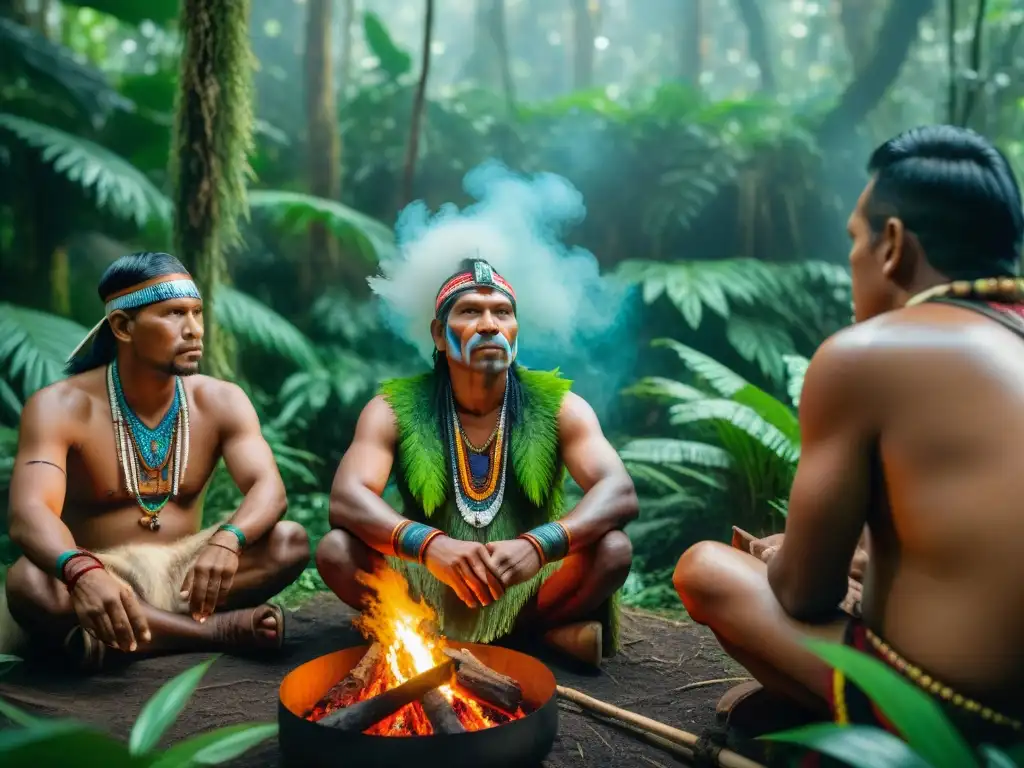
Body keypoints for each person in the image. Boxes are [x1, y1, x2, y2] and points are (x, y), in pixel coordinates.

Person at [673, 125, 1024, 748]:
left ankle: (841, 727)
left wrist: (788, 557)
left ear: (892, 245)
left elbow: (806, 595)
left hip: (958, 721)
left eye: (854, 240)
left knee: (706, 570)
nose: (853, 260)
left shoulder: (864, 354)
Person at [315, 258, 638, 666]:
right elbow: (346, 499)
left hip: (527, 584)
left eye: (502, 312)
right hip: (426, 581)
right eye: (470, 311)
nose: (490, 324)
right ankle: (537, 642)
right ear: (439, 334)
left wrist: (537, 547)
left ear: (515, 330)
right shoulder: (392, 409)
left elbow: (618, 491)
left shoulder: (561, 407)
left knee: (612, 550)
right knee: (336, 551)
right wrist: (431, 546)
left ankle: (501, 636)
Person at [0, 252, 310, 671]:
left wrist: (228, 539)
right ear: (123, 327)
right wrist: (81, 570)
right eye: (173, 314)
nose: (195, 330)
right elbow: (29, 513)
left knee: (288, 541)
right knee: (28, 582)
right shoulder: (59, 406)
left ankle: (116, 640)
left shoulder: (220, 400)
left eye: (197, 313)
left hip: (188, 574)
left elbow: (268, 489)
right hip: (99, 573)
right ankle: (214, 632)